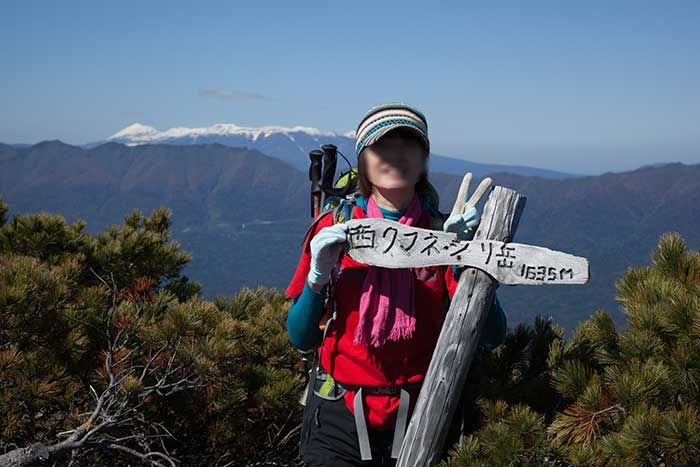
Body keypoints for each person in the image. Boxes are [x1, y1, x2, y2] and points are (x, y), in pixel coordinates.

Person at [285, 102, 507, 466]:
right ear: (363, 161)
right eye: (381, 146)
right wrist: (316, 277)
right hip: (337, 415)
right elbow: (300, 337)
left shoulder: (444, 234)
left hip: (426, 412)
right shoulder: (334, 230)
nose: (395, 155)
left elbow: (492, 335)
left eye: (409, 145)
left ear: (424, 160)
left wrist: (463, 258)